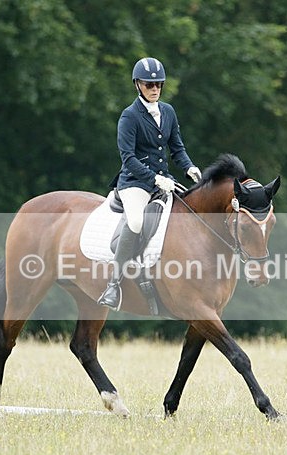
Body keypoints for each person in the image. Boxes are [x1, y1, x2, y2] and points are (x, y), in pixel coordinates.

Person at [97, 57, 202, 310]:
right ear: (137, 85)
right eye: (149, 84)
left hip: (164, 181)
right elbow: (128, 158)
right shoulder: (129, 116)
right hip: (135, 183)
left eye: (158, 84)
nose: (155, 89)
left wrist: (189, 167)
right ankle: (114, 283)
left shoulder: (168, 111)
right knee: (135, 222)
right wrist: (154, 179)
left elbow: (177, 148)